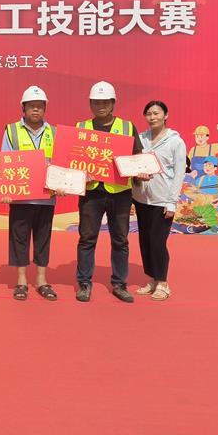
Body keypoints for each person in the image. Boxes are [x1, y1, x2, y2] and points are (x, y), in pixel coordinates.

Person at [75, 81, 142, 304]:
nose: (101, 105)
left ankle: (119, 284)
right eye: (96, 102)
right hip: (91, 192)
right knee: (87, 239)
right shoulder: (81, 127)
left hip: (119, 193)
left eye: (105, 102)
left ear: (113, 103)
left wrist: (141, 171)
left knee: (120, 240)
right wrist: (79, 174)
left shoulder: (127, 127)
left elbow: (137, 155)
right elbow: (72, 159)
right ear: (90, 104)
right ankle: (84, 283)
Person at [1, 85, 58, 302]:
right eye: (31, 106)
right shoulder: (12, 130)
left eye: (39, 106)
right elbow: (5, 161)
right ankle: (22, 281)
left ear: (45, 109)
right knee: (20, 238)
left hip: (46, 196)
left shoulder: (54, 132)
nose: (35, 110)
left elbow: (60, 163)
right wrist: (6, 190)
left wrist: (63, 184)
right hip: (21, 197)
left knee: (43, 238)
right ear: (23, 108)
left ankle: (42, 280)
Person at [132, 100, 187, 301]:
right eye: (149, 114)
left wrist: (172, 202)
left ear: (166, 115)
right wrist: (137, 175)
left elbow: (179, 173)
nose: (152, 117)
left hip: (162, 200)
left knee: (158, 242)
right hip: (141, 198)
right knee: (145, 241)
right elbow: (133, 164)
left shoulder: (176, 142)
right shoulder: (140, 139)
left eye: (156, 113)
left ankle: (163, 282)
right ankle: (152, 279)